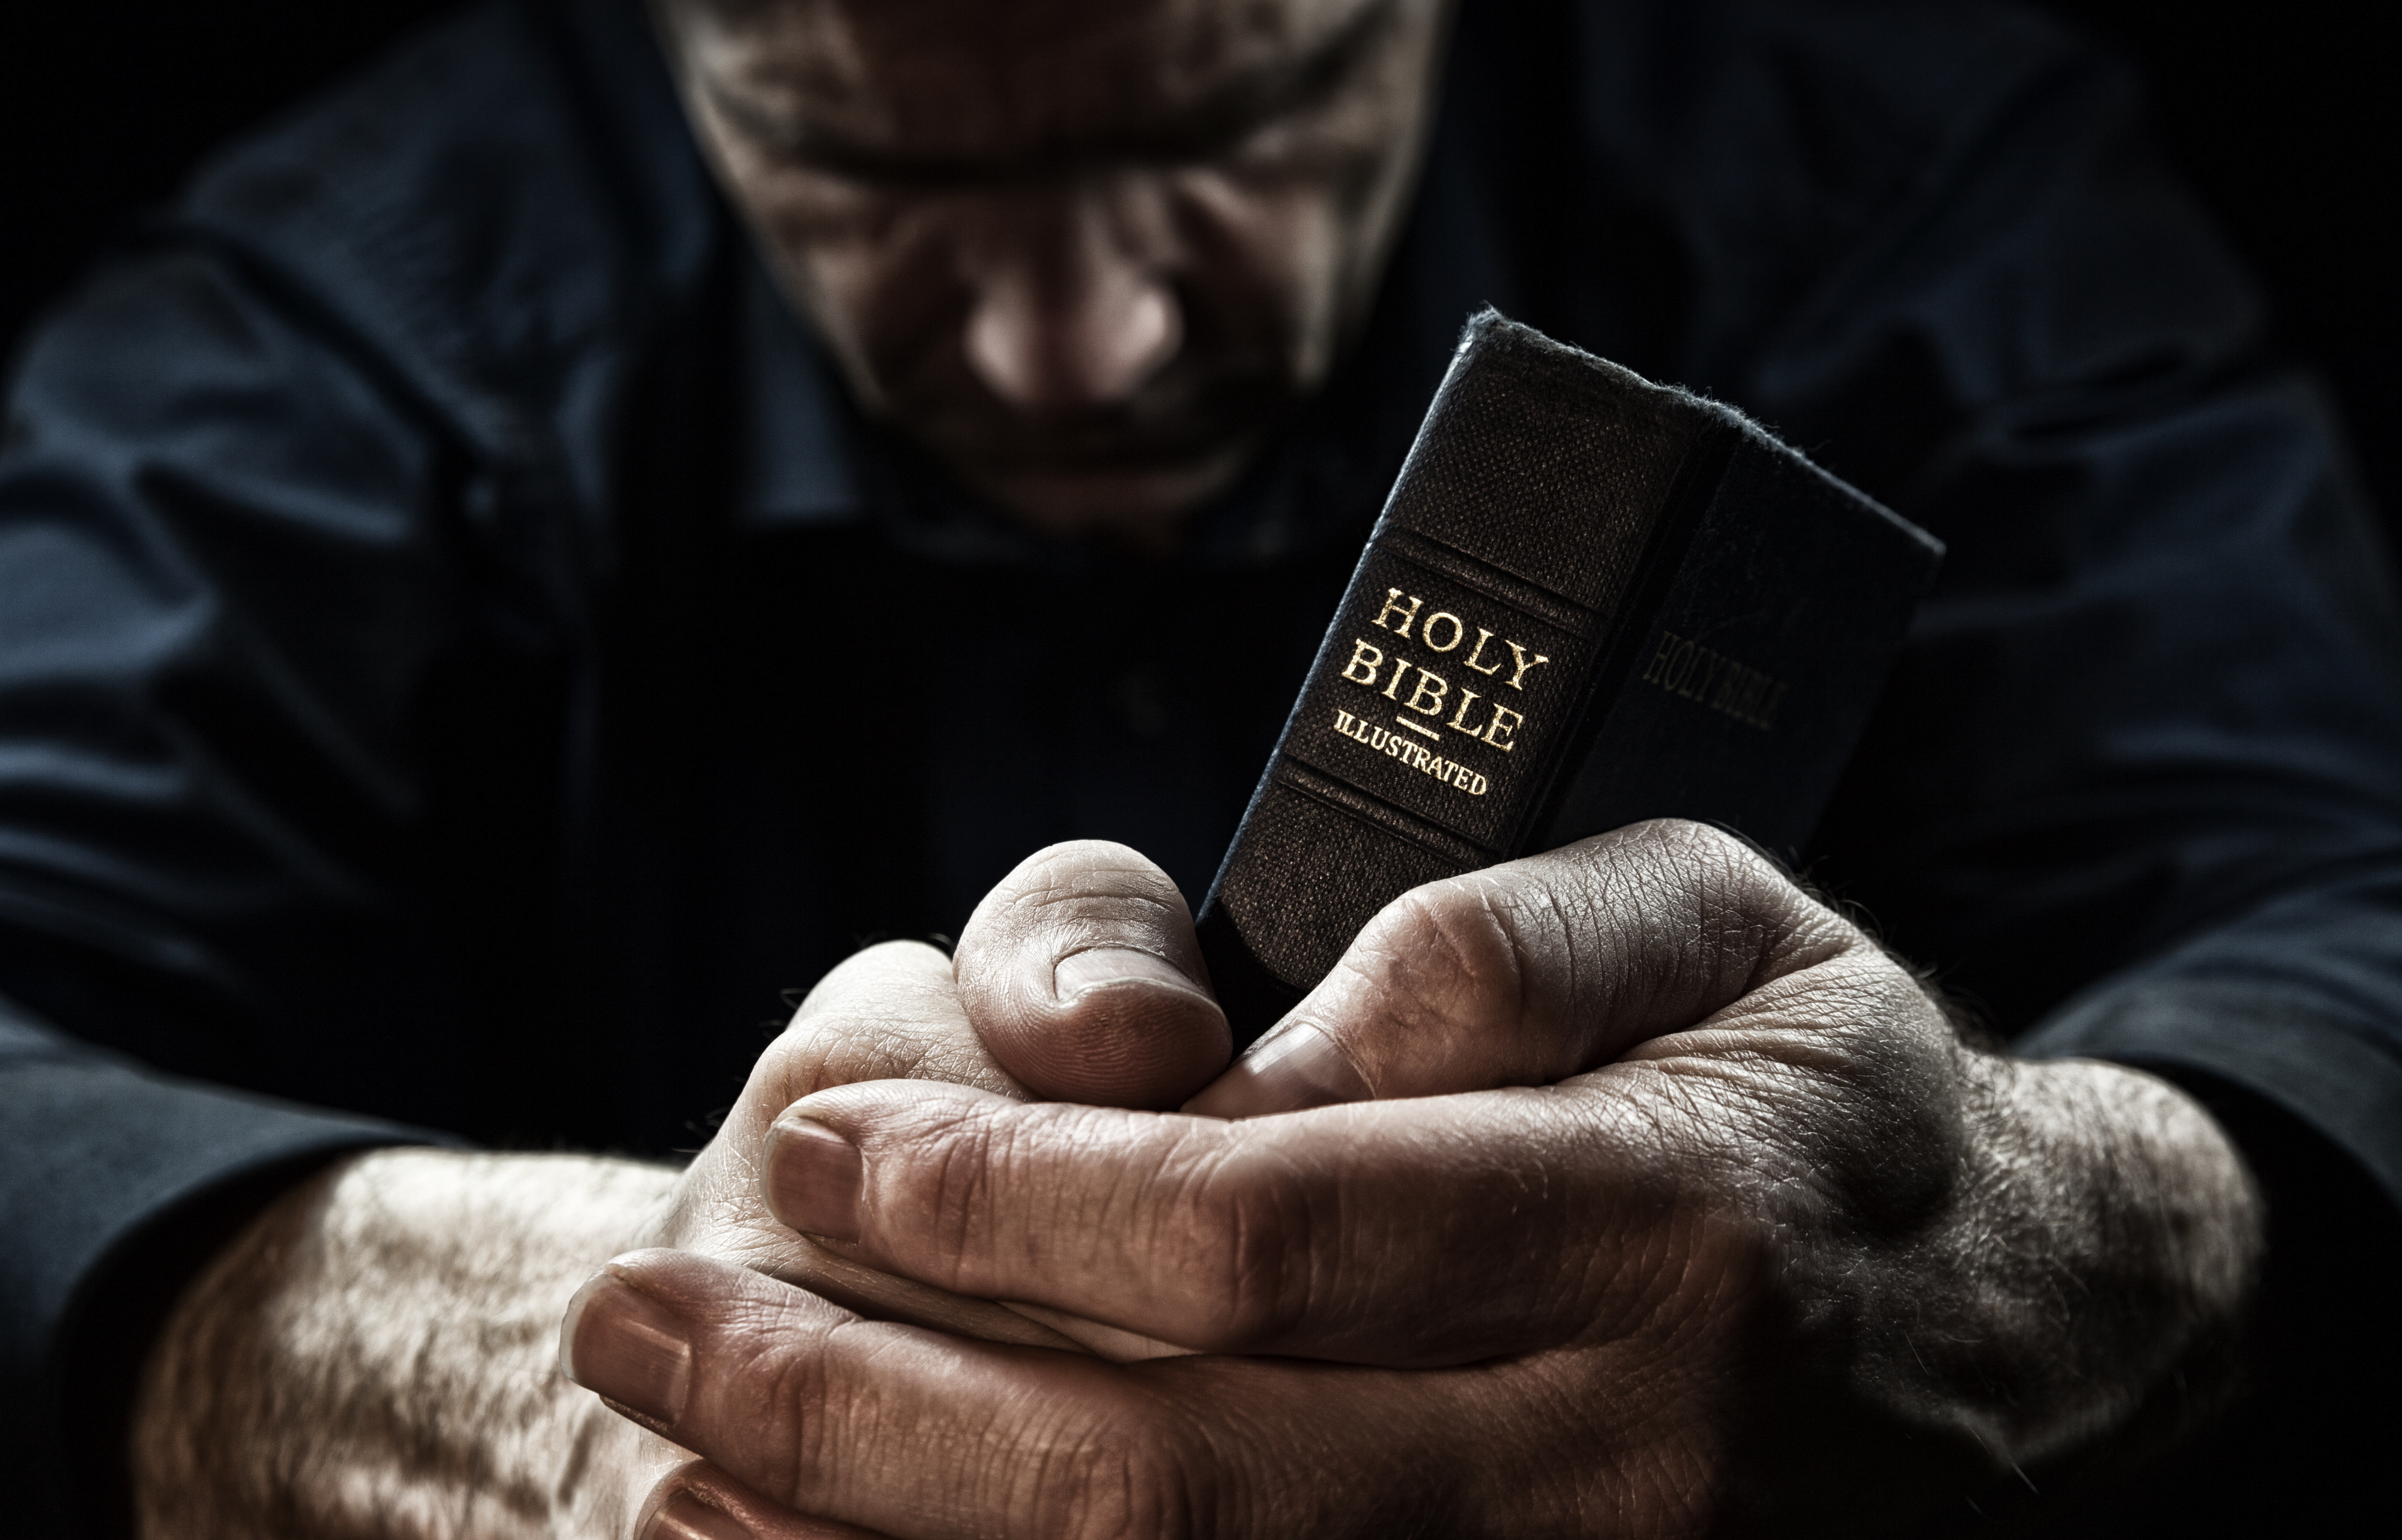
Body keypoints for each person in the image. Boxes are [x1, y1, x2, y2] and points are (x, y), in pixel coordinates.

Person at [1, 0, 2396, 1533]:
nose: (1081, 340)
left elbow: (2343, 903)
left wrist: (2045, 1252)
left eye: (1239, 115)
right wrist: (569, 1366)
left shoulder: (1909, 189)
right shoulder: (333, 323)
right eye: (883, 174)